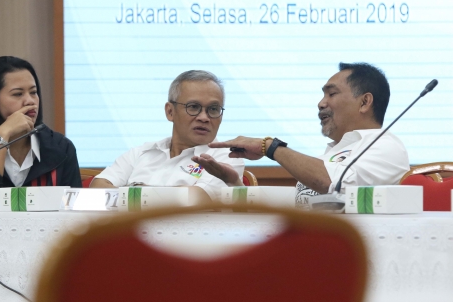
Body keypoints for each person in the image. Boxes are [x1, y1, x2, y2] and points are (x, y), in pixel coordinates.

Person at [192, 62, 410, 209]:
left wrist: (270, 147)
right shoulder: (336, 151)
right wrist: (234, 183)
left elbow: (331, 185)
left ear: (364, 102)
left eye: (331, 93)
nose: (321, 103)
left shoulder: (386, 148)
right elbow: (302, 203)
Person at [91, 70, 244, 201]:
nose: (204, 117)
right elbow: (97, 188)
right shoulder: (141, 153)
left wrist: (134, 190)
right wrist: (150, 194)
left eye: (213, 109)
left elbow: (195, 199)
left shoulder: (226, 159)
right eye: (194, 107)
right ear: (170, 112)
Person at [0, 56, 82, 204]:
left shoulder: (61, 147)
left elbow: (74, 210)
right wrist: (2, 134)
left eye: (33, 92)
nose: (30, 101)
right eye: (18, 94)